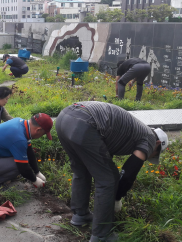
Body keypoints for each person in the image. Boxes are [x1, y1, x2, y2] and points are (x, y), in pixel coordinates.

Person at [55, 102, 168, 242]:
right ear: (158, 144)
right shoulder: (150, 139)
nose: (150, 156)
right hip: (84, 123)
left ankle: (80, 215)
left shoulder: (135, 130)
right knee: (108, 179)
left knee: (82, 170)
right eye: (154, 154)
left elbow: (104, 156)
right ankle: (101, 235)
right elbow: (129, 173)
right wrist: (117, 197)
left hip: (64, 118)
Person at [0, 113, 54, 190]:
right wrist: (35, 180)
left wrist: (37, 172)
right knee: (18, 165)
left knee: (22, 158)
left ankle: (2, 175)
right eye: (43, 134)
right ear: (38, 130)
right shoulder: (19, 139)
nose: (41, 136)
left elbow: (29, 151)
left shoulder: (21, 123)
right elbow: (23, 168)